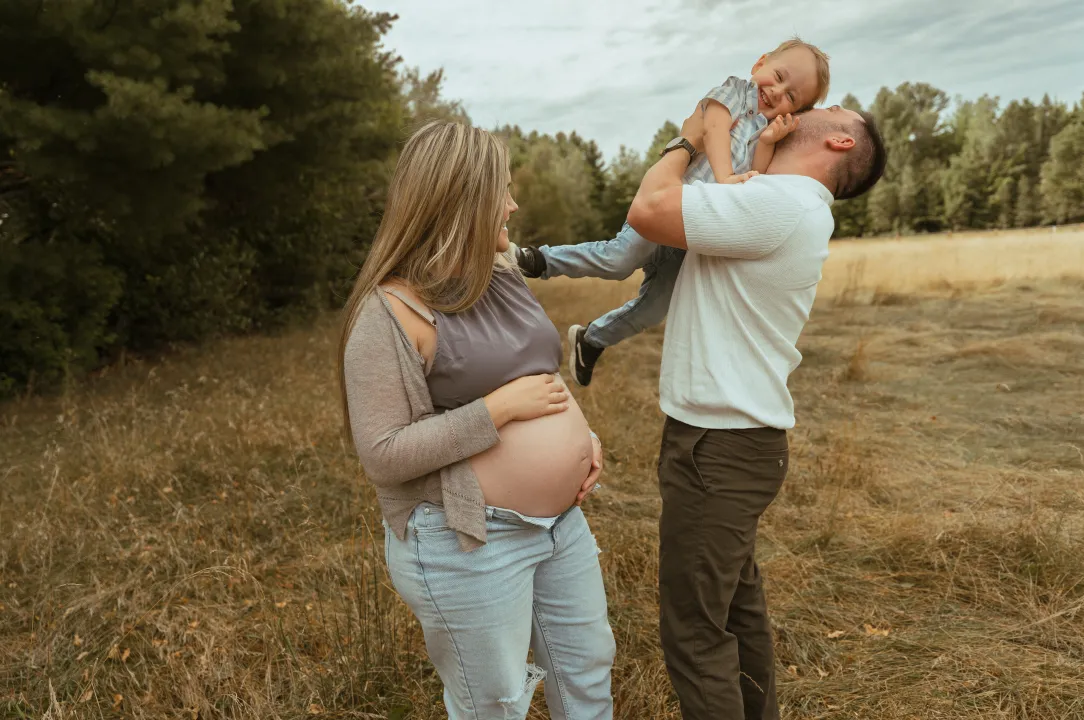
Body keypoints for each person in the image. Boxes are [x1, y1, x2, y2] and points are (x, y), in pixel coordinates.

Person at [338, 121, 615, 720]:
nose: (513, 203)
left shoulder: (503, 272)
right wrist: (498, 411)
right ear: (459, 201)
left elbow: (543, 368)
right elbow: (383, 454)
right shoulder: (389, 312)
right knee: (496, 703)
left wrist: (582, 436)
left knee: (588, 670)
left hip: (562, 523)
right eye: (503, 191)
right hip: (469, 539)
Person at [626, 103, 887, 719]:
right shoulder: (776, 197)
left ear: (842, 140)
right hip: (734, 446)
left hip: (716, 448)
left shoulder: (782, 204)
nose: (811, 104)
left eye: (830, 107)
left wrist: (687, 138)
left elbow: (646, 211)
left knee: (695, 632)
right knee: (737, 617)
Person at [513, 38, 831, 386]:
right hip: (669, 204)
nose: (778, 91)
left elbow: (757, 174)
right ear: (760, 63)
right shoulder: (733, 92)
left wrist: (768, 141)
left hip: (693, 233)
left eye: (791, 97)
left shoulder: (765, 131)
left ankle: (592, 339)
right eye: (779, 76)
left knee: (656, 306)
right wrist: (724, 177)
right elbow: (713, 130)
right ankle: (538, 260)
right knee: (619, 260)